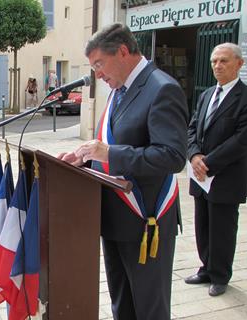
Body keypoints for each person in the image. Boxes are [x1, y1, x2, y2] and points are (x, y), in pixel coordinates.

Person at [57, 23, 188, 320]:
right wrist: (85, 158)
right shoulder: (121, 89)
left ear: (124, 52)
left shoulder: (161, 88)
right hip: (115, 218)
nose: (98, 74)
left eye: (99, 64)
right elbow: (115, 141)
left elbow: (172, 156)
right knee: (123, 305)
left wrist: (110, 153)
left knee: (149, 309)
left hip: (145, 220)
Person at [185, 43, 247, 297]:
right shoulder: (205, 95)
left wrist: (208, 162)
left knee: (222, 228)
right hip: (201, 177)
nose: (217, 66)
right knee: (202, 225)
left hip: (225, 177)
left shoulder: (246, 97)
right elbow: (192, 128)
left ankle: (221, 275)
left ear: (239, 64)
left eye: (223, 61)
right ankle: (206, 268)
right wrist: (193, 155)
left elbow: (242, 140)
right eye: (214, 61)